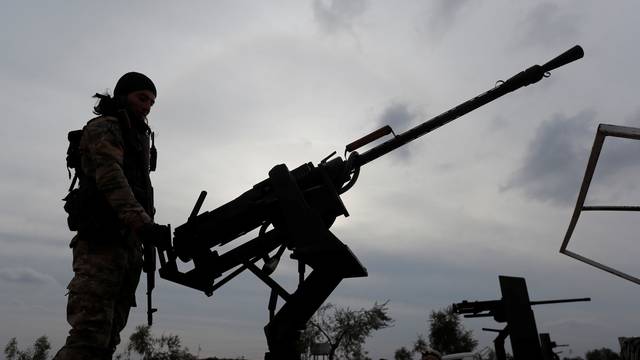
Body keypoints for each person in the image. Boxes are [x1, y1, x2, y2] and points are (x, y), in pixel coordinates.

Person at [55, 72, 163, 360]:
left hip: (128, 248)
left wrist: (146, 233)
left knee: (108, 339)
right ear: (123, 95)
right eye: (142, 98)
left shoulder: (136, 137)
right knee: (88, 338)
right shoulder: (105, 128)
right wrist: (145, 224)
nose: (147, 106)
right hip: (100, 245)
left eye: (152, 102)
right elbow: (111, 179)